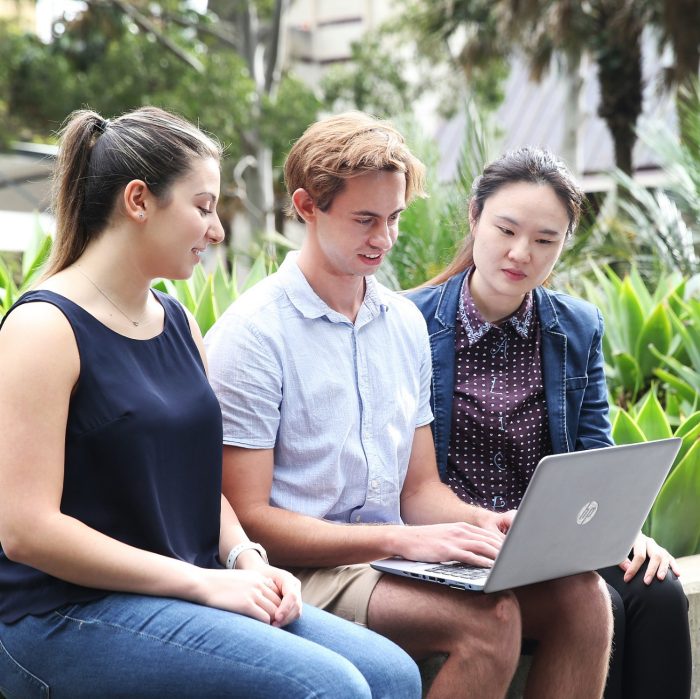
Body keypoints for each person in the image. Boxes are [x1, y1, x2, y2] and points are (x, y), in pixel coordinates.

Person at [0, 106, 423, 699]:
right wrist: (201, 585)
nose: (217, 229)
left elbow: (204, 486)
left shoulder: (175, 321)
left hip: (178, 591)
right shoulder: (44, 328)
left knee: (392, 675)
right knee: (330, 690)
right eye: (203, 207)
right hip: (64, 614)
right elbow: (27, 532)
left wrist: (246, 558)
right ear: (139, 200)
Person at [205, 111, 614, 699]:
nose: (385, 238)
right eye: (365, 219)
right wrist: (403, 541)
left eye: (394, 217)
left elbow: (418, 493)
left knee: (584, 598)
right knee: (489, 624)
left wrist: (489, 526)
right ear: (306, 206)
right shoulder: (255, 333)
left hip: (391, 561)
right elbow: (249, 517)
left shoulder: (401, 323)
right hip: (299, 573)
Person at [407, 146, 692, 699]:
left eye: (545, 240)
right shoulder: (410, 322)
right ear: (474, 217)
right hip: (458, 542)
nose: (521, 253)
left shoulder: (576, 327)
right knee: (596, 602)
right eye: (506, 230)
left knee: (659, 593)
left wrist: (625, 532)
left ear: (564, 244)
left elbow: (595, 459)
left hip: (554, 541)